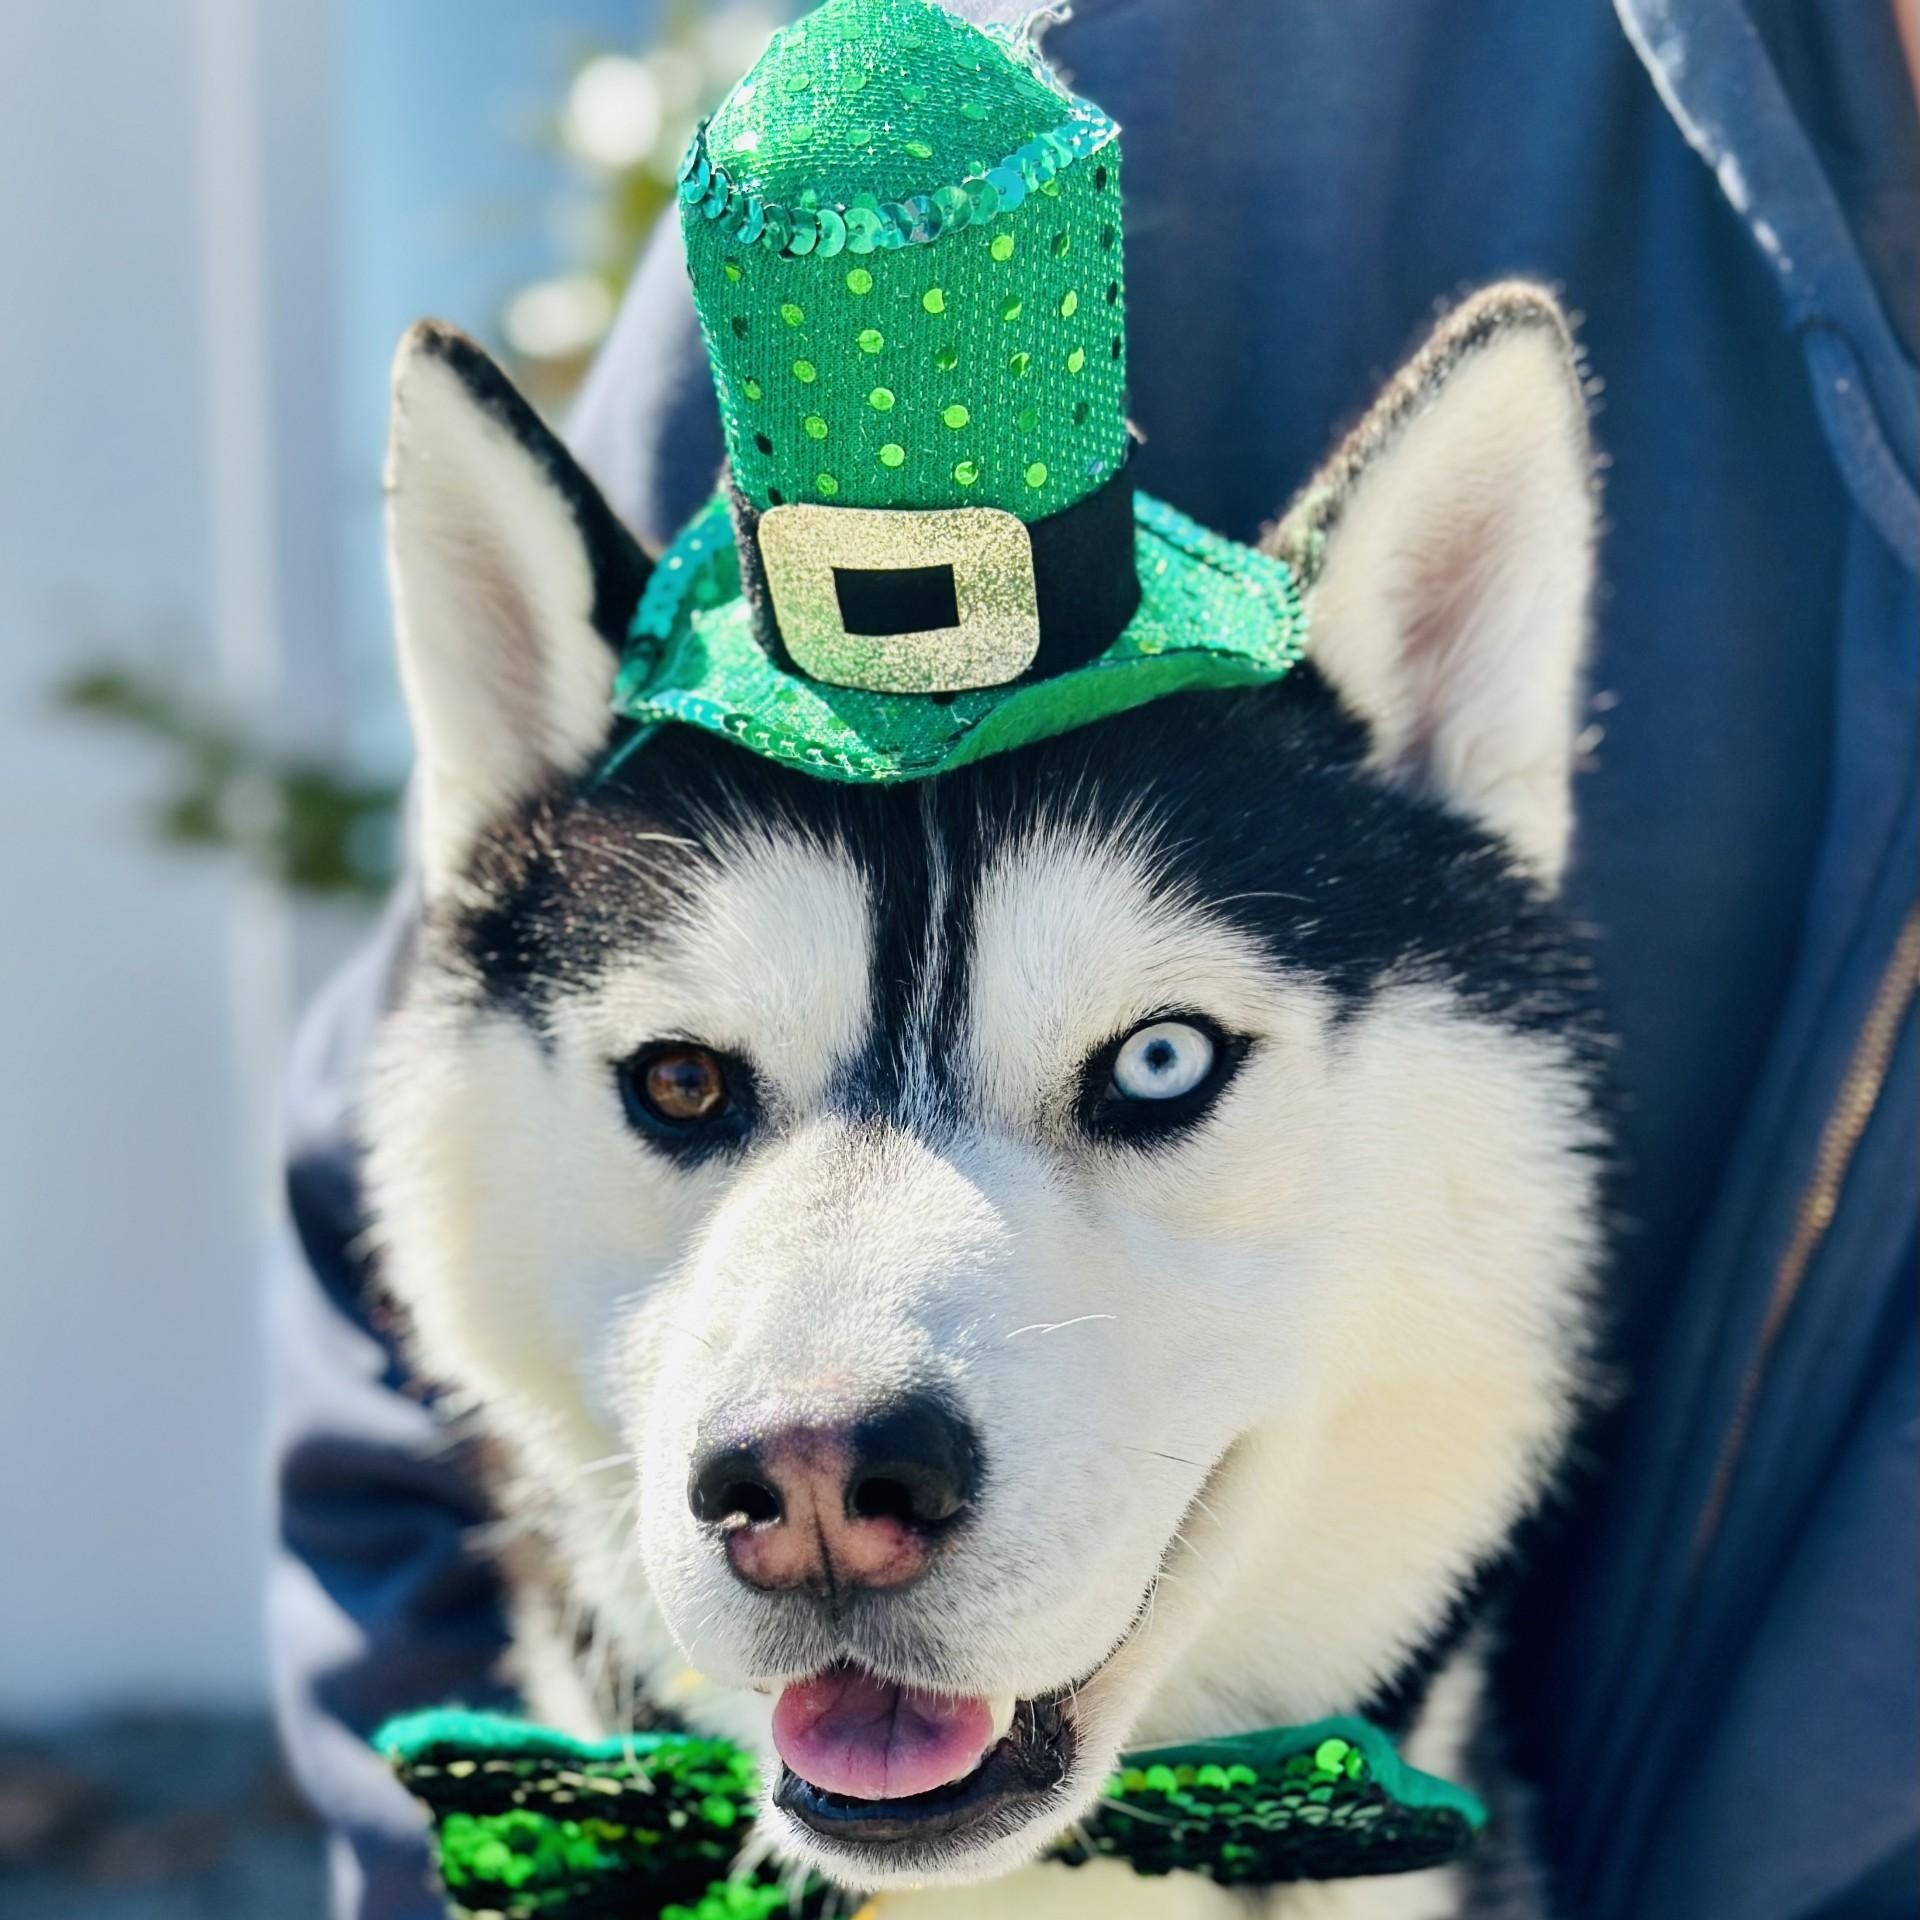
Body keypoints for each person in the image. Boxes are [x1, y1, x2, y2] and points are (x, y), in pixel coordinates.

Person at [269, 3, 1920, 1915]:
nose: (822, 1455)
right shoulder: (1152, 59)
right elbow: (377, 1253)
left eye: (1155, 1067)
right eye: (683, 1083)